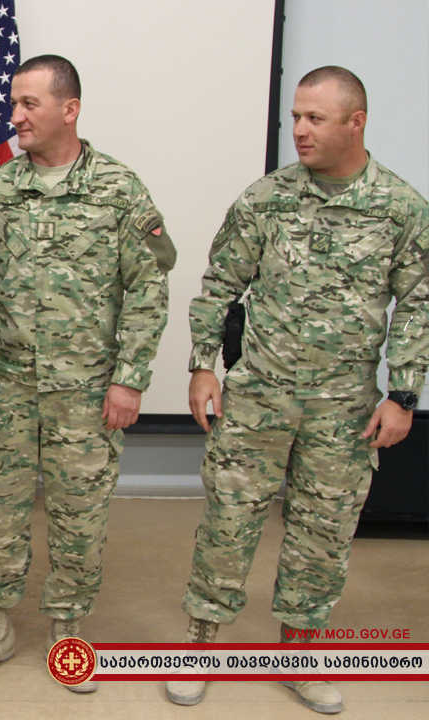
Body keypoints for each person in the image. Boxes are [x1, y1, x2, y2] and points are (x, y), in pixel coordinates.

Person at [166, 66, 428, 714]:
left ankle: (299, 658)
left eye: (315, 118)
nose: (300, 130)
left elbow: (419, 303)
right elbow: (219, 282)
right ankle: (201, 648)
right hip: (258, 398)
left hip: (344, 410)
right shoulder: (268, 198)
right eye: (295, 117)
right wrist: (203, 366)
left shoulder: (401, 208)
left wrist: (404, 394)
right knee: (227, 526)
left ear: (356, 122)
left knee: (322, 536)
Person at [0, 55, 175, 691]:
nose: (13, 117)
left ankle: (69, 627)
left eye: (28, 105)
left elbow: (148, 289)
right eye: (12, 104)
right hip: (1, 387)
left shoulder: (120, 191)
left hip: (88, 392)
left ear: (68, 110)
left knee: (79, 514)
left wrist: (130, 378)